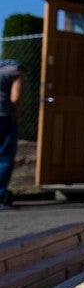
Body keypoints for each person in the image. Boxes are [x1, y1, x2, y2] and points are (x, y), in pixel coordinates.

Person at [0, 59, 24, 209]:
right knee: (4, 156)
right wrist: (17, 114)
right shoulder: (16, 71)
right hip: (4, 116)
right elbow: (15, 97)